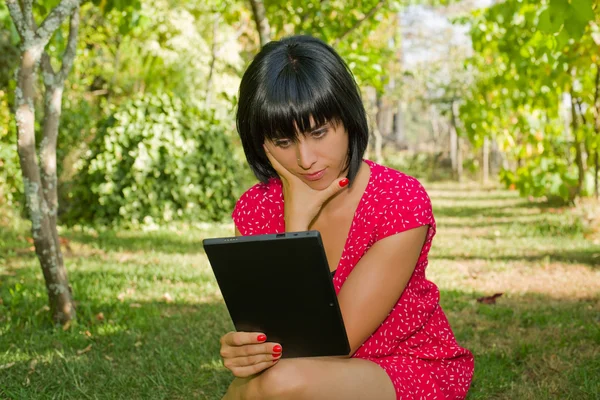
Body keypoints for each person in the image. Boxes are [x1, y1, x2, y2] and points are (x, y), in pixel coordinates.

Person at [219, 35, 474, 400]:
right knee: (262, 384)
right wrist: (245, 350)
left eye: (319, 132)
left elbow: (331, 344)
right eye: (284, 141)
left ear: (348, 118)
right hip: (299, 371)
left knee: (278, 383)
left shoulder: (399, 200)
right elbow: (280, 341)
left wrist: (297, 226)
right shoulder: (256, 209)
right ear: (260, 142)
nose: (306, 159)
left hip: (404, 366)